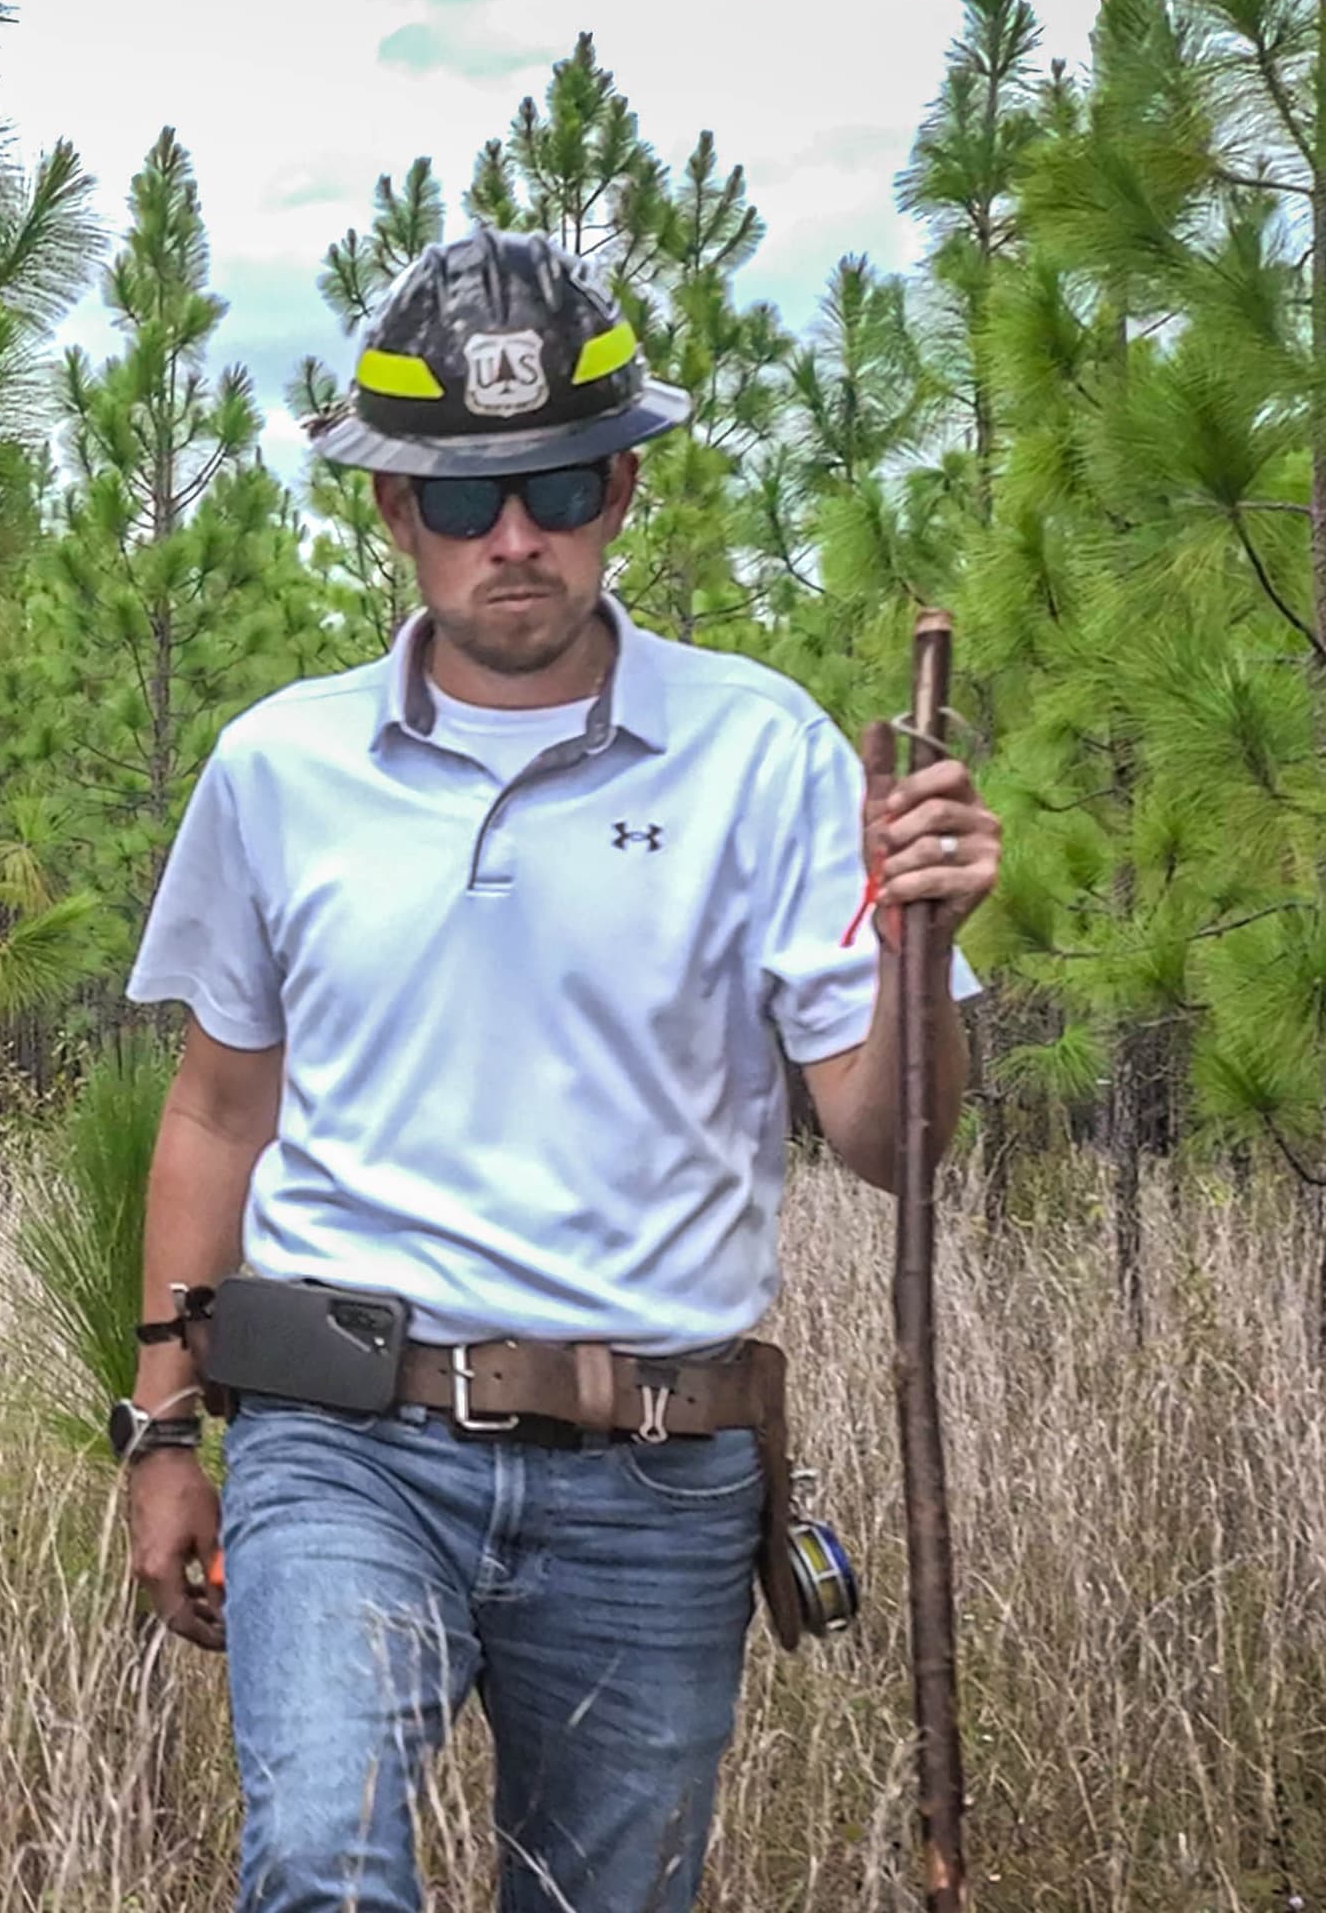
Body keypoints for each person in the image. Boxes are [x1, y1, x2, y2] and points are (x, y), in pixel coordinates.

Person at [108, 227, 1000, 1913]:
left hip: (657, 1471)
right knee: (317, 1866)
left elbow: (893, 1140)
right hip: (343, 1438)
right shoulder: (279, 767)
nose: (511, 539)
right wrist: (159, 1431)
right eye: (460, 501)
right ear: (391, 512)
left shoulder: (764, 754)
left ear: (625, 491)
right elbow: (218, 1110)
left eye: (560, 484)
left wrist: (924, 950)